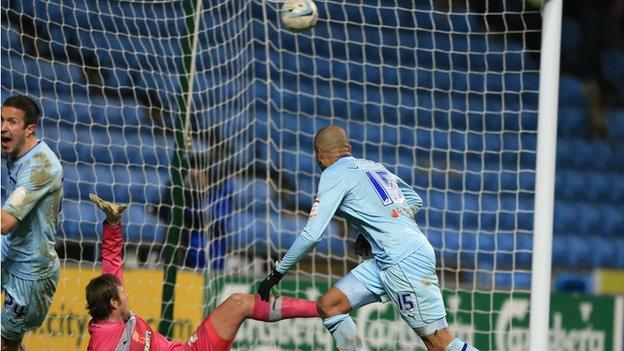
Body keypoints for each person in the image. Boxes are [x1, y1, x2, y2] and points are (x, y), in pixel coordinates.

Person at [257, 125, 478, 351]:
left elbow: (312, 235)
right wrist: (375, 227)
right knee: (329, 306)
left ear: (319, 154)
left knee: (439, 343)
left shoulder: (332, 175)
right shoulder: (373, 167)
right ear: (348, 148)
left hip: (402, 261)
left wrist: (278, 272)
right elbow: (414, 200)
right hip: (387, 259)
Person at [86, 193, 318, 351]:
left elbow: (112, 258)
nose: (126, 295)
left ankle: (320, 308)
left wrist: (113, 223)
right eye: (122, 294)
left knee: (239, 303)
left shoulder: (113, 304)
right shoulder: (105, 344)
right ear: (113, 303)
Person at [1, 95, 63, 351]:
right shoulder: (14, 149)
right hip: (9, 248)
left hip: (31, 271)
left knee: (7, 345)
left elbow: (4, 223)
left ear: (30, 129)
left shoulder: (41, 167)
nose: (3, 127)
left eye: (11, 122)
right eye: (1, 120)